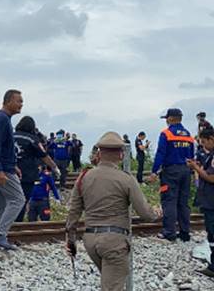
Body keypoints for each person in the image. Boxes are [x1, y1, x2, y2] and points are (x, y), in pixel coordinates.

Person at [65, 131, 161, 291]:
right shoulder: (126, 179)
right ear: (121, 155)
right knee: (112, 287)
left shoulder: (84, 177)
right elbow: (145, 214)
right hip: (114, 242)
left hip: (90, 241)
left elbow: (74, 212)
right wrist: (157, 213)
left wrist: (71, 240)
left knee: (112, 282)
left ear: (99, 153)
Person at [0, 89, 26, 250]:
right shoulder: (2, 119)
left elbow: (2, 146)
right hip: (0, 168)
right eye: (19, 101)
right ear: (8, 101)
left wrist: (13, 164)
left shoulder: (3, 119)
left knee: (2, 202)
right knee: (18, 199)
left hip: (1, 166)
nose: (21, 104)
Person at [150, 108, 195, 242]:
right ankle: (185, 233)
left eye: (167, 118)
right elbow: (191, 156)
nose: (166, 121)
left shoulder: (166, 134)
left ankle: (169, 232)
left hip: (171, 171)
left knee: (169, 200)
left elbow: (160, 154)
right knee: (183, 202)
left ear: (171, 118)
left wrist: (154, 171)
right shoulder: (188, 135)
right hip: (185, 171)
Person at [14, 116, 59, 222]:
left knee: (10, 201)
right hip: (26, 175)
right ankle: (17, 223)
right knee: (22, 201)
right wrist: (54, 167)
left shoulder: (11, 136)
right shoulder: (32, 139)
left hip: (10, 173)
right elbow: (44, 155)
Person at [187, 127, 214, 277]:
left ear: (211, 139)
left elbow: (211, 178)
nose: (203, 146)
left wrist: (195, 167)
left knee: (213, 234)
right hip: (209, 201)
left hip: (212, 202)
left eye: (204, 143)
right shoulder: (209, 155)